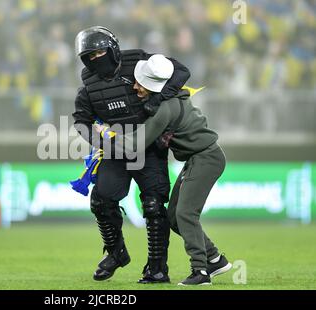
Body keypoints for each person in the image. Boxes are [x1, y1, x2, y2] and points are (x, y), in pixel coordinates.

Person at [72, 26, 190, 283]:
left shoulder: (139, 61)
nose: (96, 59)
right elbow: (81, 121)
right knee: (101, 201)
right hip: (116, 149)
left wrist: (159, 99)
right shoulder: (88, 84)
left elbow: (180, 71)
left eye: (100, 52)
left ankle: (157, 269)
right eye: (90, 56)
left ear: (113, 48)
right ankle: (116, 253)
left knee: (154, 205)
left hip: (150, 147)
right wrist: (102, 142)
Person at [107, 54, 232, 285]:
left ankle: (201, 272)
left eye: (140, 83)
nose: (135, 86)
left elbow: (136, 143)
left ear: (153, 86)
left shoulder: (165, 109)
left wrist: (106, 138)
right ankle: (214, 259)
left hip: (205, 158)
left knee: (185, 214)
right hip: (200, 158)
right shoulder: (170, 100)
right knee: (174, 217)